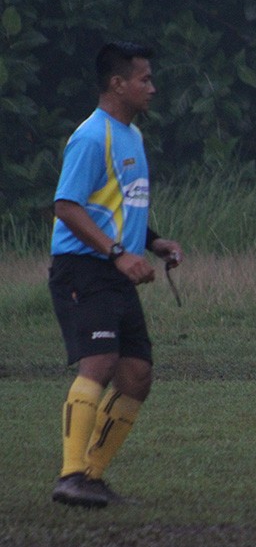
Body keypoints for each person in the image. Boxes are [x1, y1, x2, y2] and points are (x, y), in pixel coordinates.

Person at [48, 41, 183, 508]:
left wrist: (153, 241)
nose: (152, 87)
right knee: (99, 364)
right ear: (117, 84)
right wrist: (118, 253)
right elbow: (66, 206)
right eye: (144, 79)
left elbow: (117, 206)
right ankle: (71, 475)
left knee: (136, 375)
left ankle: (92, 478)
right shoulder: (92, 136)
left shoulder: (133, 136)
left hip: (113, 267)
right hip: (84, 267)